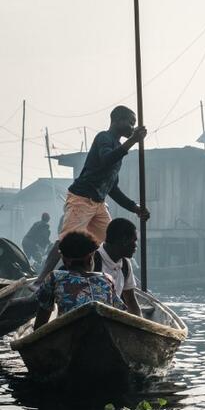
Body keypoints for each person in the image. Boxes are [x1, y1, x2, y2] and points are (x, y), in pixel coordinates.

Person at [36, 106, 150, 284]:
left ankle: (108, 283)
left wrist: (135, 208)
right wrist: (133, 140)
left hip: (98, 204)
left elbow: (112, 189)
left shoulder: (119, 147)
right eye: (130, 122)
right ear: (117, 120)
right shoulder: (104, 138)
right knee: (66, 240)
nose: (132, 128)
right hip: (81, 198)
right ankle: (40, 281)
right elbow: (106, 159)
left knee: (112, 243)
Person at [33, 230, 125, 329]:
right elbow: (120, 315)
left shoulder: (55, 277)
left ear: (64, 260)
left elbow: (40, 326)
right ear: (90, 259)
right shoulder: (106, 279)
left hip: (68, 339)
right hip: (103, 339)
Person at [96, 217, 141, 317]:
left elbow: (131, 301)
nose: (136, 246)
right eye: (134, 241)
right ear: (124, 240)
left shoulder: (125, 263)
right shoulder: (94, 260)